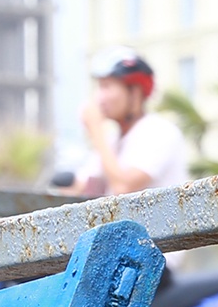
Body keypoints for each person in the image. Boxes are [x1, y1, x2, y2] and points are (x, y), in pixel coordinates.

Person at [77, 48, 190, 197]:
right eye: (99, 87)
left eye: (107, 87)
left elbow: (123, 188)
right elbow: (80, 188)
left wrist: (96, 130)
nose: (99, 97)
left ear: (135, 92)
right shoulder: (112, 140)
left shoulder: (159, 131)